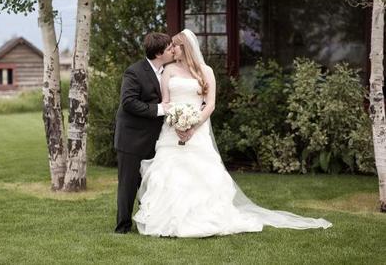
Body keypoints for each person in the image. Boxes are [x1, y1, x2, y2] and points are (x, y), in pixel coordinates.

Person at [133, 29, 332, 238]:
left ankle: (205, 218)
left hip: (197, 131)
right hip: (172, 132)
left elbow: (210, 105)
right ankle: (168, 219)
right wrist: (176, 122)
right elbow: (166, 102)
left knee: (202, 174)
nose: (171, 49)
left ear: (185, 48)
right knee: (169, 174)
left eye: (175, 45)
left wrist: (192, 126)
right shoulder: (168, 71)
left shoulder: (206, 71)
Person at [114, 32, 174, 234]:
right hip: (131, 138)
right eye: (169, 48)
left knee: (152, 183)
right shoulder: (134, 72)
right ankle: (122, 227)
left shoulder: (169, 71)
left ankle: (148, 221)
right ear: (159, 53)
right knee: (128, 185)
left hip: (156, 138)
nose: (172, 50)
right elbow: (128, 102)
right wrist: (159, 109)